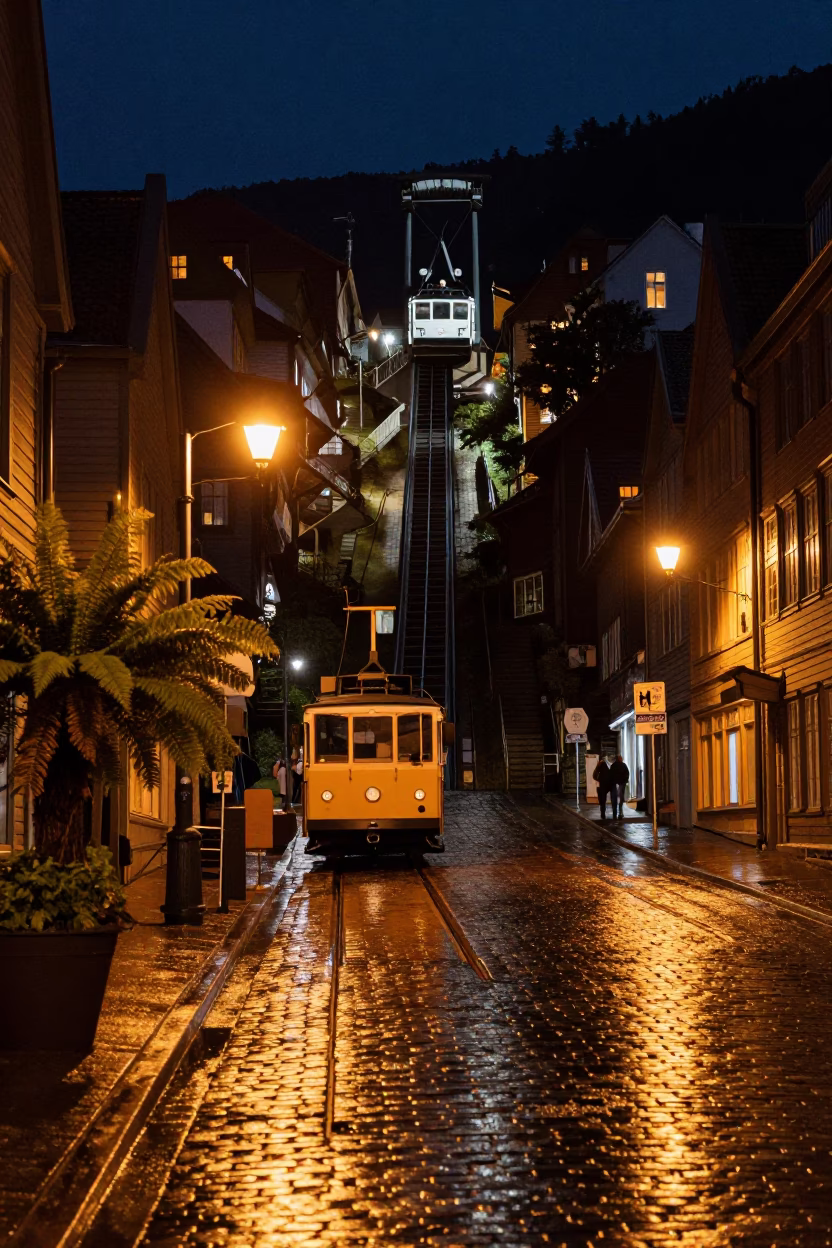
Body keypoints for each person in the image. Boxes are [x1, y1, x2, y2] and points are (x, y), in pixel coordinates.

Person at [609, 754, 630, 819]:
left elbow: (611, 775)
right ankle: (620, 813)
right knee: (621, 798)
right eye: (621, 758)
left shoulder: (613, 766)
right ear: (620, 759)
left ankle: (615, 813)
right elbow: (627, 774)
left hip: (615, 784)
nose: (621, 759)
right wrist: (625, 781)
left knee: (615, 799)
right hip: (621, 783)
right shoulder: (624, 765)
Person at [592, 756, 611, 820]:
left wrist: (598, 779)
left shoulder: (599, 769)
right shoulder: (607, 770)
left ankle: (602, 812)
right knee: (603, 800)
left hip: (600, 786)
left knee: (601, 800)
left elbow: (594, 775)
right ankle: (603, 813)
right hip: (605, 787)